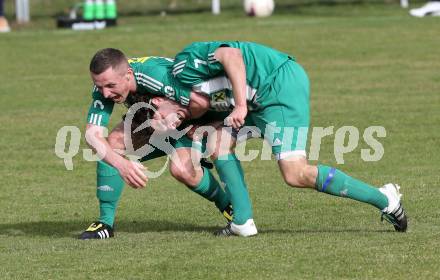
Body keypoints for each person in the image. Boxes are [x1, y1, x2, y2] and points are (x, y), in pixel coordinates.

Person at [147, 41, 408, 235]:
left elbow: (231, 54)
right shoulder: (190, 102)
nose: (172, 122)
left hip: (278, 86)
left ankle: (385, 199)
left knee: (296, 174)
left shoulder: (183, 68)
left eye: (162, 116)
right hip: (259, 101)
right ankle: (243, 221)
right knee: (218, 140)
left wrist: (239, 105)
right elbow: (215, 101)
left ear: (159, 98)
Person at [79, 49, 235, 239]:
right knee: (112, 145)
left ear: (128, 75)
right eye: (100, 86)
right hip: (155, 118)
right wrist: (122, 165)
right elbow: (92, 134)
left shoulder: (156, 76)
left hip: (198, 119)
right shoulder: (105, 86)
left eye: (111, 86)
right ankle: (105, 223)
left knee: (182, 170)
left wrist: (192, 119)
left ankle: (229, 207)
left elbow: (208, 99)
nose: (105, 93)